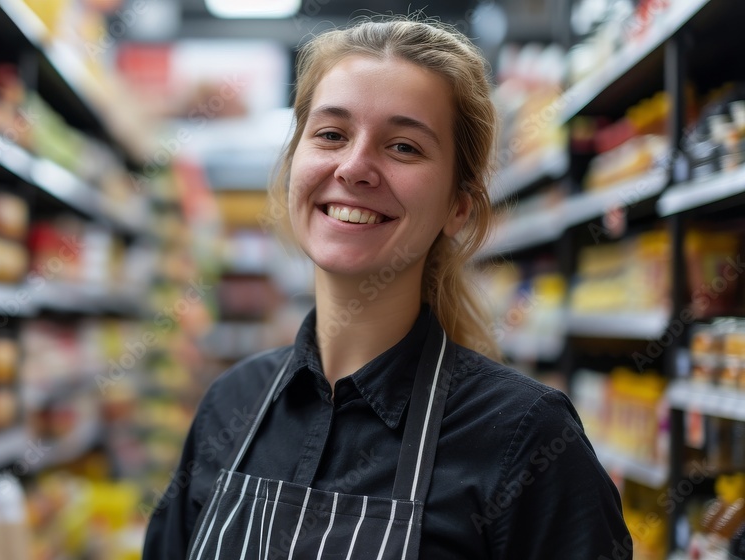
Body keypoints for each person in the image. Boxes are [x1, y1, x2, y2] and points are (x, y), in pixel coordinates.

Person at [143, 16, 631, 560]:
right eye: (331, 134)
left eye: (403, 147)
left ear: (457, 207)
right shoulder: (231, 406)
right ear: (292, 165)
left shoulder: (525, 439)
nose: (355, 167)